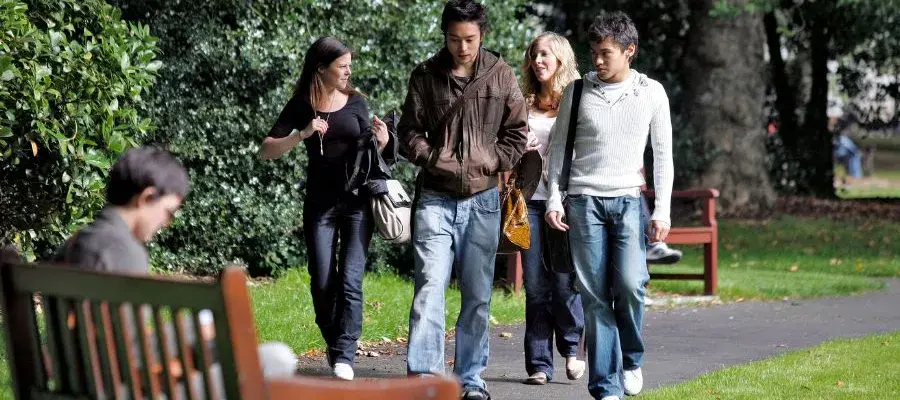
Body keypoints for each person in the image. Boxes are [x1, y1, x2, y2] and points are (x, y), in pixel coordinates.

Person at [53, 147, 297, 391]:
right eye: (168, 212)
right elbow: (130, 356)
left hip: (76, 384)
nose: (166, 223)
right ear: (147, 197)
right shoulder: (124, 251)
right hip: (123, 389)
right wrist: (187, 346)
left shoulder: (72, 245)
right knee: (275, 358)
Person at [397, 0, 527, 398]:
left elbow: (517, 136)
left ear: (482, 35)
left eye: (469, 39)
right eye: (454, 39)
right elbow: (408, 132)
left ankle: (471, 380)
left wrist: (488, 159)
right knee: (429, 290)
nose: (462, 47)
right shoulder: (425, 75)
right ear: (445, 36)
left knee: (477, 296)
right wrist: (434, 159)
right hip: (435, 198)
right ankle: (425, 381)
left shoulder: (501, 76)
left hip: (484, 200)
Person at [545, 12, 673, 400]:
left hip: (629, 200)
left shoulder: (651, 92)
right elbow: (558, 152)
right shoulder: (577, 92)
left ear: (629, 51)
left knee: (632, 285)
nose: (596, 61)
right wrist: (555, 196)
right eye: (594, 53)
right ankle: (605, 387)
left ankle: (632, 358)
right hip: (583, 201)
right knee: (595, 296)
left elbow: (663, 157)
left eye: (606, 53)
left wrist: (662, 210)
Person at [259, 36, 392, 381]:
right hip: (320, 206)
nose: (349, 71)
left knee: (350, 281)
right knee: (322, 280)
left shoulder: (356, 103)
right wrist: (301, 134)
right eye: (342, 66)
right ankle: (335, 345)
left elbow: (372, 156)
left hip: (357, 205)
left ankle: (346, 352)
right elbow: (267, 150)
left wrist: (383, 141)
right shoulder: (301, 104)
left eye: (350, 65)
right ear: (322, 69)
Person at [517, 31, 586, 386]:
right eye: (534, 55)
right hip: (530, 201)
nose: (538, 60)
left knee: (563, 282)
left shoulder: (578, 102)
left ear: (560, 59)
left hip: (566, 202)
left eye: (545, 54)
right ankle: (539, 364)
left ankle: (573, 347)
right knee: (535, 286)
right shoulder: (522, 102)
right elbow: (506, 151)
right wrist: (519, 147)